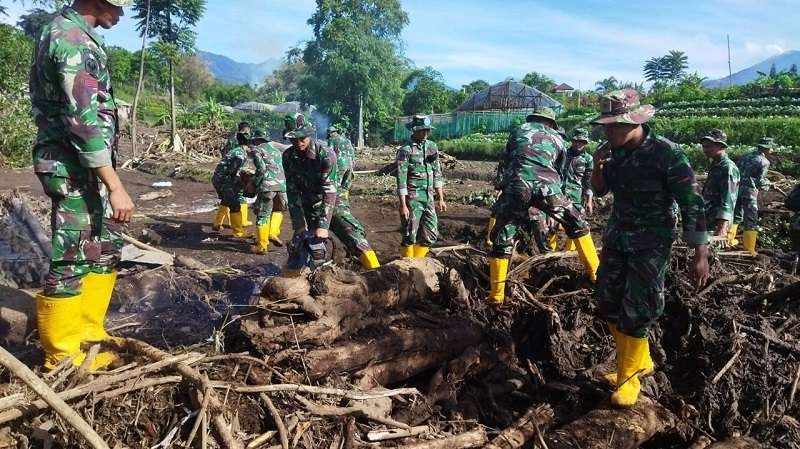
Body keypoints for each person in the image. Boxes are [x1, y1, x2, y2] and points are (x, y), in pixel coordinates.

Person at [30, 0, 136, 370]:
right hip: (73, 166)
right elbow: (83, 120)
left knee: (103, 247)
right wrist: (115, 185)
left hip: (88, 169)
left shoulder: (78, 34)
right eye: (117, 6)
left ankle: (90, 333)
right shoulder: (70, 39)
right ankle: (61, 355)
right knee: (72, 255)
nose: (122, 14)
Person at [590, 89, 709, 407]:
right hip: (617, 236)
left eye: (614, 125)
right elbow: (601, 191)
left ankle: (628, 377)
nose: (607, 131)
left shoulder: (667, 154)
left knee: (639, 307)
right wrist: (597, 165)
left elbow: (692, 204)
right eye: (605, 125)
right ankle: (639, 362)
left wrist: (700, 253)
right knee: (606, 299)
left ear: (635, 122)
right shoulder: (612, 152)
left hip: (652, 242)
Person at [488, 108, 599, 305]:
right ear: (551, 122)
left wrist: (504, 186)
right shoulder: (557, 138)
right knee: (577, 223)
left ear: (533, 119)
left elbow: (507, 160)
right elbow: (560, 170)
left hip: (517, 187)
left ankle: (496, 295)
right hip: (548, 188)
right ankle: (595, 275)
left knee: (503, 234)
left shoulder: (517, 131)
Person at [283, 117, 380, 270]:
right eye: (293, 139)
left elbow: (329, 191)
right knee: (304, 247)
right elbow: (292, 191)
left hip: (333, 201)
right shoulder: (288, 157)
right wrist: (299, 223)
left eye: (302, 138)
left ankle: (377, 273)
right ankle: (311, 277)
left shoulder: (326, 155)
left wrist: (323, 225)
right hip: (309, 203)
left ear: (310, 135)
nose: (298, 142)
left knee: (353, 236)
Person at [396, 115, 447, 258]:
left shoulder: (432, 147)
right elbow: (401, 179)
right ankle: (406, 266)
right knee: (409, 235)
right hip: (412, 199)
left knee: (431, 235)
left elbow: (437, 173)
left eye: (427, 131)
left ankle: (417, 261)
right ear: (414, 130)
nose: (425, 133)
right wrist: (403, 205)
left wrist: (440, 198)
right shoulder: (405, 150)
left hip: (428, 197)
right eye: (422, 130)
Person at [733, 137, 774, 255]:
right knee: (751, 218)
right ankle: (749, 248)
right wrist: (768, 183)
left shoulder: (745, 156)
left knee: (736, 214)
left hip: (736, 188)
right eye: (771, 148)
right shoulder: (764, 161)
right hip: (749, 191)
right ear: (767, 148)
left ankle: (729, 240)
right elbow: (759, 181)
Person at [249, 129, 286, 254]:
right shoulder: (276, 150)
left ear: (257, 140)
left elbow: (261, 169)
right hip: (281, 185)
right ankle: (272, 234)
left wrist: (254, 183)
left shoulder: (257, 150)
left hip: (267, 186)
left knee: (263, 215)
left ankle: (262, 246)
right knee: (278, 210)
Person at [699, 129, 740, 243]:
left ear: (721, 146)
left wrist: (722, 226)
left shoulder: (727, 168)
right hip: (708, 218)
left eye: (709, 146)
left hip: (717, 223)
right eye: (704, 147)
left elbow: (729, 198)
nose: (705, 150)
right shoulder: (715, 164)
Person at [211, 132, 251, 239]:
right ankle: (238, 232)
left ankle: (217, 223)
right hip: (225, 181)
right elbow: (233, 170)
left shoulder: (235, 150)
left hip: (218, 178)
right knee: (235, 205)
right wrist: (237, 182)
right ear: (249, 145)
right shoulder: (241, 155)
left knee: (225, 200)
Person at [560, 128, 594, 251]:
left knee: (576, 224)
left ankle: (570, 253)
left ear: (585, 143)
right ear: (572, 141)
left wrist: (589, 200)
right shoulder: (562, 154)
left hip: (575, 197)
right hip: (558, 194)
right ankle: (549, 252)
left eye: (582, 142)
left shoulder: (588, 159)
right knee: (552, 224)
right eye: (576, 141)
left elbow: (588, 182)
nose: (578, 144)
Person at [327, 126, 356, 200]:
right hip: (349, 165)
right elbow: (352, 153)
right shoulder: (347, 140)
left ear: (330, 133)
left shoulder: (332, 140)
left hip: (340, 165)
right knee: (346, 185)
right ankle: (345, 200)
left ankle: (338, 202)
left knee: (337, 185)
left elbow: (329, 153)